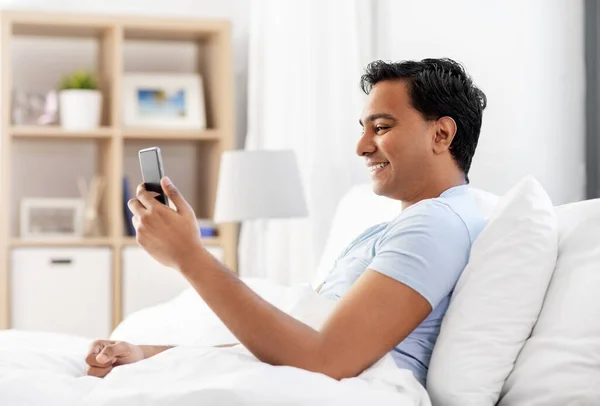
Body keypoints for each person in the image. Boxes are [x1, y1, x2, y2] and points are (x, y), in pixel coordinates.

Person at [85, 58, 487, 387]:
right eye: (364, 129)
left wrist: (190, 257)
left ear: (442, 134)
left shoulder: (436, 224)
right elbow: (288, 345)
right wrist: (147, 354)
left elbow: (323, 359)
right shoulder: (390, 230)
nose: (362, 147)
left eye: (381, 128)